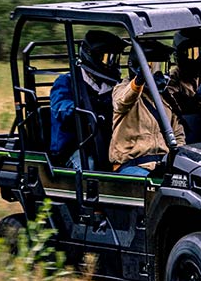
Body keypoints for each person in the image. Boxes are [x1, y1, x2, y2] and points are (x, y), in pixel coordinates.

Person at [50, 29, 127, 169]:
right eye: (107, 58)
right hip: (74, 147)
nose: (112, 64)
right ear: (92, 56)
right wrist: (79, 108)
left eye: (114, 59)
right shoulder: (67, 82)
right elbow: (60, 108)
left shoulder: (113, 86)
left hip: (106, 144)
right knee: (89, 166)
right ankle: (84, 190)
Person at [110, 38, 186, 175]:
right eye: (152, 67)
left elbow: (178, 134)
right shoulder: (123, 90)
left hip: (162, 164)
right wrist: (139, 81)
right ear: (138, 67)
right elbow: (121, 102)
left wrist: (176, 159)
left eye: (161, 67)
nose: (159, 73)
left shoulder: (166, 98)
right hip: (133, 164)